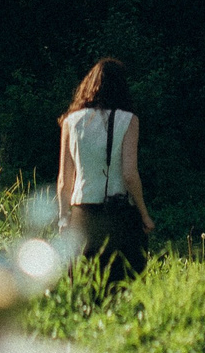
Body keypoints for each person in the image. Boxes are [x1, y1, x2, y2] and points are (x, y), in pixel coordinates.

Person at [56, 57, 153, 281]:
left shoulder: (71, 121)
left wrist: (63, 219)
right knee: (123, 283)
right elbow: (129, 174)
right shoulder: (128, 120)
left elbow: (64, 180)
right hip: (118, 213)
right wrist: (144, 214)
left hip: (82, 213)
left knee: (83, 284)